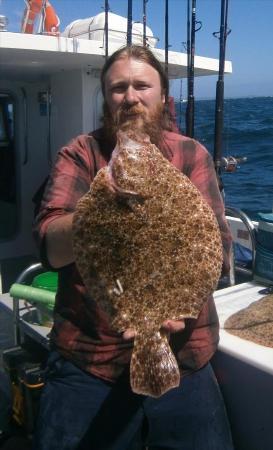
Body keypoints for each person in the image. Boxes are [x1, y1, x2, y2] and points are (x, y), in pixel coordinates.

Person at [32, 44, 233, 450]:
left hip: (186, 351)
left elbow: (217, 244)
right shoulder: (81, 154)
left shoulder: (191, 154)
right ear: (106, 99)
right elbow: (51, 245)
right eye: (117, 88)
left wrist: (181, 303)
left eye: (141, 85)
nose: (130, 97)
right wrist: (100, 208)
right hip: (90, 358)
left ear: (163, 96)